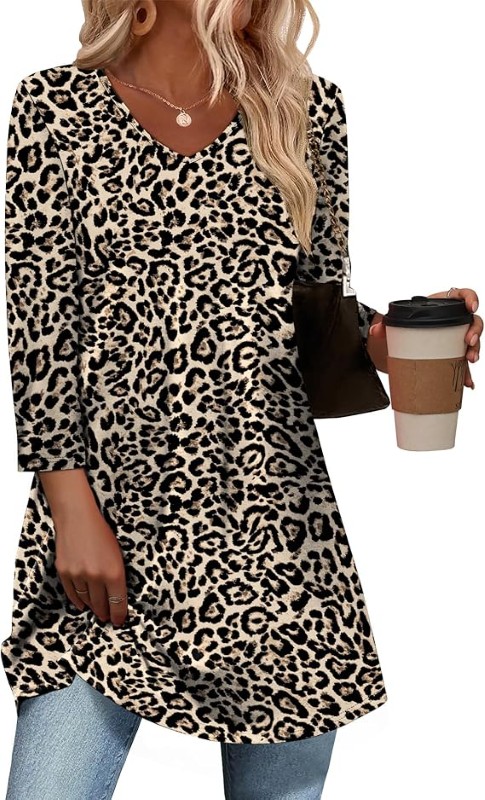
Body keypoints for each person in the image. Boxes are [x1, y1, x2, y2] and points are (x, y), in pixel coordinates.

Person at [2, 1, 482, 798]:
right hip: (110, 523)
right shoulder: (56, 107)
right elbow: (41, 328)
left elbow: (316, 326)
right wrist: (69, 503)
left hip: (275, 541)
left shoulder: (304, 109)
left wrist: (394, 337)